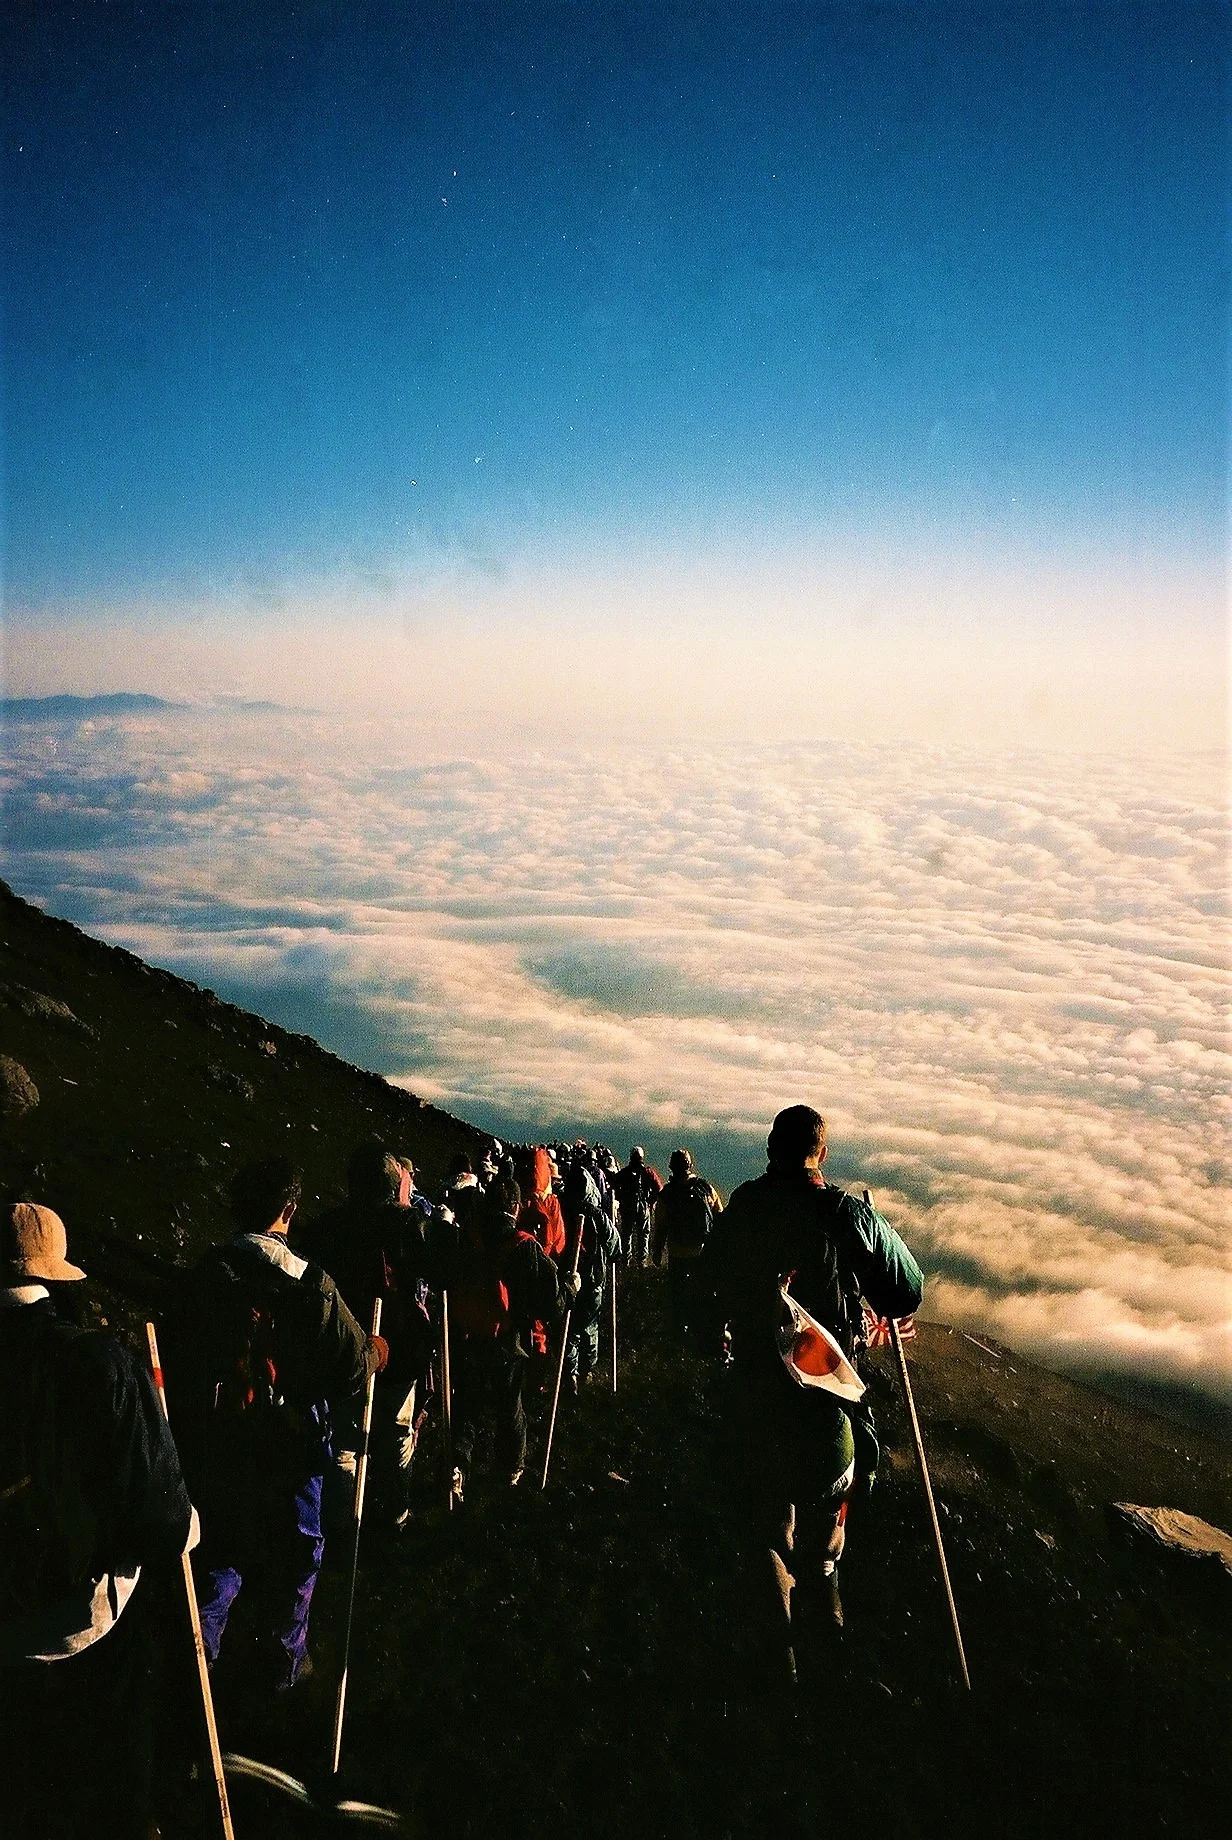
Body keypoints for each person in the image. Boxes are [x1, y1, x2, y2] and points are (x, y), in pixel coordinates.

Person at [698, 1106, 922, 1683]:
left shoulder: (743, 1209)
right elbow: (907, 1287)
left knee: (767, 1532)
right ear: (822, 1153)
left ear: (771, 1149)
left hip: (754, 1400)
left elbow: (704, 1292)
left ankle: (780, 1660)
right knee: (824, 1538)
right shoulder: (847, 1214)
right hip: (826, 1410)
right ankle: (826, 1641)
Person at [0, 1202, 197, 1838]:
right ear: (55, 1278)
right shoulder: (99, 1364)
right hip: (75, 1626)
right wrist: (188, 1522)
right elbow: (159, 1524)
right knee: (98, 1792)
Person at [162, 1158, 379, 1691]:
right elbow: (352, 1367)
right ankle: (282, 1667)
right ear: (288, 1209)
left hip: (219, 1440)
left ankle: (199, 1669)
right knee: (298, 1556)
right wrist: (376, 1352)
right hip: (293, 1443)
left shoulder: (205, 1275)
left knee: (219, 1551)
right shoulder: (312, 1284)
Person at [298, 1143, 441, 1529]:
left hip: (344, 1344)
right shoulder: (412, 1226)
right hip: (400, 1347)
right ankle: (394, 1511)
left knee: (345, 1438)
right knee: (395, 1431)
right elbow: (443, 1266)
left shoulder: (326, 1228)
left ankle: (345, 1518)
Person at [446, 1176, 577, 1494]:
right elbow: (550, 1305)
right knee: (509, 1407)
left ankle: (456, 1466)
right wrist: (571, 1289)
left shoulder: (468, 1235)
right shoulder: (522, 1245)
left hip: (466, 1335)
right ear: (516, 1208)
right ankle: (509, 1471)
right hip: (506, 1341)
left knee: (467, 1406)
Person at [561, 1149, 621, 1394]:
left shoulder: (563, 1210)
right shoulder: (598, 1216)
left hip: (569, 1277)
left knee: (571, 1325)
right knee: (590, 1325)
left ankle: (571, 1373)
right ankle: (587, 1370)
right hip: (595, 1279)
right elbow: (615, 1246)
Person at [652, 1148, 721, 1338]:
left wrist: (656, 1252)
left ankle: (678, 1329)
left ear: (671, 1168)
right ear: (690, 1165)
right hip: (702, 1252)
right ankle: (701, 1329)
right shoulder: (706, 1188)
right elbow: (720, 1216)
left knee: (677, 1293)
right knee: (702, 1292)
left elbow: (660, 1227)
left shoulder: (667, 1194)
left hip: (677, 1252)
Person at [613, 1145, 662, 1269]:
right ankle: (642, 1262)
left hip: (628, 1207)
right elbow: (659, 1188)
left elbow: (614, 1185)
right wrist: (651, 1201)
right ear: (642, 1157)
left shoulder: (624, 1173)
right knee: (644, 1234)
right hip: (643, 1207)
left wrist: (621, 1198)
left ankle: (626, 1261)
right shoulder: (648, 1172)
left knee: (626, 1234)